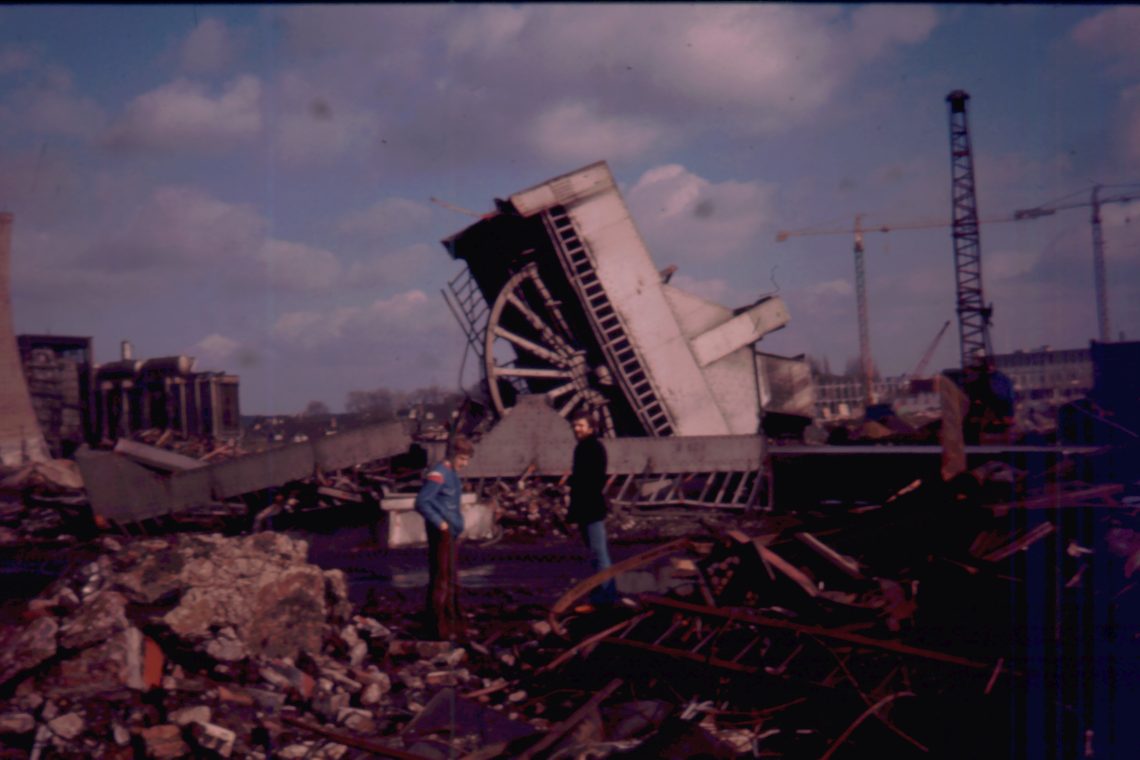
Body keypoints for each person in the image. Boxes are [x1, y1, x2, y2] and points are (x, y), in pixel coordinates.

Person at [414, 435, 474, 640]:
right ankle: (438, 629)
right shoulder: (438, 474)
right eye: (462, 459)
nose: (465, 464)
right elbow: (422, 502)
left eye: (467, 460)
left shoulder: (450, 474)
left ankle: (453, 624)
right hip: (442, 534)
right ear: (453, 455)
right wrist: (441, 523)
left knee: (450, 578)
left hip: (450, 534)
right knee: (442, 579)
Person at [567, 410, 618, 609]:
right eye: (575, 425)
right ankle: (605, 594)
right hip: (588, 507)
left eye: (580, 425)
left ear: (591, 427)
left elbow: (589, 481)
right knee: (597, 553)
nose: (576, 429)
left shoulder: (590, 448)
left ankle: (605, 597)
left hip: (590, 508)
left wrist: (574, 485)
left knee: (599, 553)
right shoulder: (587, 447)